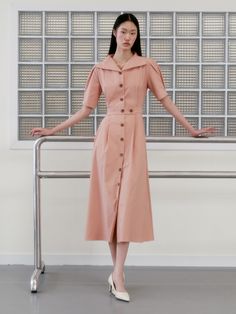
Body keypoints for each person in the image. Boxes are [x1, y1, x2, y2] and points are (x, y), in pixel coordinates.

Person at [31, 13, 215, 302]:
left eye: (133, 32)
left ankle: (118, 272)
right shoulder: (100, 69)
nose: (128, 36)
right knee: (109, 208)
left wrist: (191, 129)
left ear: (136, 36)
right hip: (106, 140)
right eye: (124, 31)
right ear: (114, 33)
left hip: (133, 140)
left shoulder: (146, 66)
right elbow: (86, 110)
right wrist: (52, 130)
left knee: (127, 204)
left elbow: (165, 100)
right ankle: (117, 273)